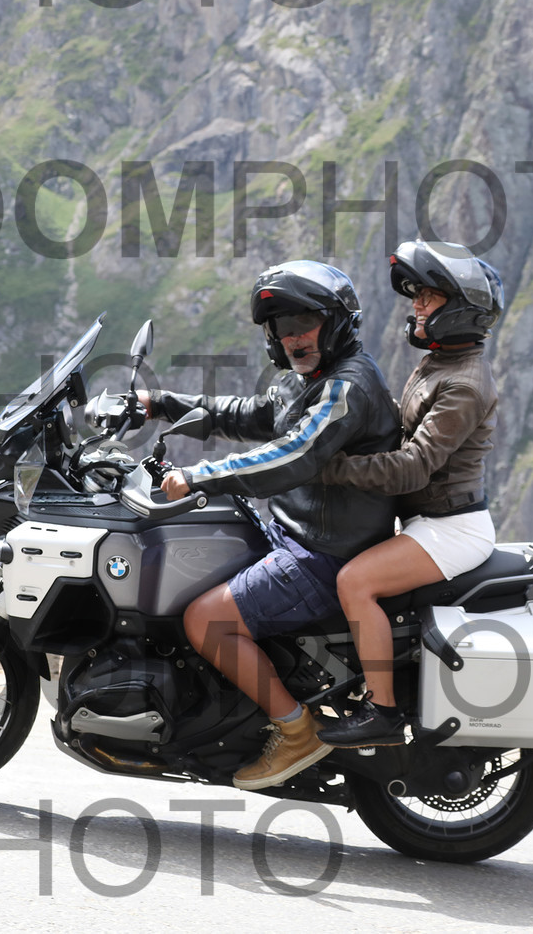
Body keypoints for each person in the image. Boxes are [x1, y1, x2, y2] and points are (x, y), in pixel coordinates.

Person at [138, 260, 399, 789]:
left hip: (321, 554)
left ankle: (295, 730)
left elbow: (294, 454)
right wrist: (159, 404)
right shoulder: (307, 380)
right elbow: (250, 413)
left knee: (207, 621)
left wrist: (200, 476)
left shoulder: (347, 387)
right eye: (282, 327)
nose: (293, 337)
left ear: (337, 322)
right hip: (291, 532)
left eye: (304, 323)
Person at [314, 241, 504, 748]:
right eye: (416, 294)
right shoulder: (441, 363)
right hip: (427, 522)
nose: (416, 304)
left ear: (461, 307)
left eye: (429, 296)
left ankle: (381, 711)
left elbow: (412, 467)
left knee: (356, 582)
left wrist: (327, 470)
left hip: (451, 529)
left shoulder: (464, 384)